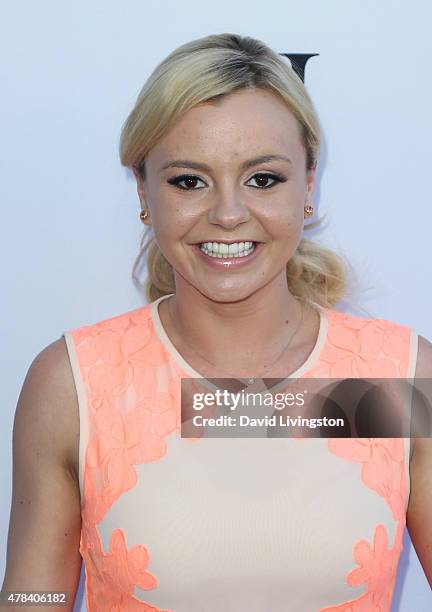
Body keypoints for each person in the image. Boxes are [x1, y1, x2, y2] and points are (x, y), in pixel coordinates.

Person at [1, 32, 431, 612]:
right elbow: (33, 596)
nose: (228, 214)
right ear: (144, 192)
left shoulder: (395, 377)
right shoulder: (73, 384)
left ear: (308, 183)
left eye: (262, 179)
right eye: (188, 181)